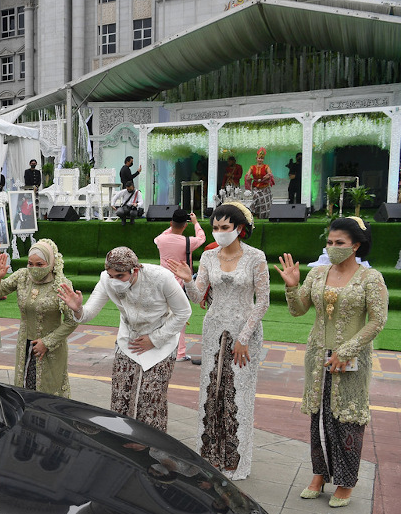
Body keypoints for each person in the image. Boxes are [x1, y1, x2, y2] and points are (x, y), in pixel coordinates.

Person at [275, 217, 388, 507]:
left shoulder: (370, 279)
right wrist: (291, 287)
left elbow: (377, 321)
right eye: (329, 242)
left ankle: (346, 482)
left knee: (347, 419)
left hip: (352, 358)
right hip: (317, 355)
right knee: (318, 416)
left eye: (340, 243)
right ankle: (319, 474)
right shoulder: (318, 273)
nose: (333, 247)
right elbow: (299, 310)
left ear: (356, 245)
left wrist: (347, 350)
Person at [165, 202, 269, 481]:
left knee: (239, 395)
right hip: (213, 330)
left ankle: (236, 462)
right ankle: (211, 457)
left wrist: (244, 338)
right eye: (215, 228)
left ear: (240, 229)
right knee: (212, 391)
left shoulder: (256, 257)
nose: (219, 232)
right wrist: (188, 281)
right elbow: (199, 297)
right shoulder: (209, 257)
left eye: (225, 227)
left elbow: (263, 303)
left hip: (244, 333)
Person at [58, 247, 191, 432]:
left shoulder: (161, 277)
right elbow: (88, 313)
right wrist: (77, 309)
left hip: (161, 340)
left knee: (151, 397)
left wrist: (154, 339)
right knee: (121, 395)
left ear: (135, 270)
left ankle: (152, 447)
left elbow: (184, 312)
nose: (114, 281)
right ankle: (121, 443)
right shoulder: (106, 280)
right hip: (128, 339)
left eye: (119, 276)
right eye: (110, 275)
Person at [0, 240, 79, 397]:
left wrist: (47, 342)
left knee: (49, 392)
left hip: (51, 349)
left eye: (40, 264)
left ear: (51, 263)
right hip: (24, 344)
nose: (34, 269)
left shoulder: (62, 284)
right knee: (24, 390)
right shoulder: (22, 276)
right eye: (30, 263)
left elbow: (72, 321)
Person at [155, 209, 205, 361]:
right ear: (185, 225)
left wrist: (173, 226)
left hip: (162, 282)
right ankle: (180, 352)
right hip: (180, 285)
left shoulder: (160, 240)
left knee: (161, 316)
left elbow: (163, 234)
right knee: (180, 318)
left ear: (171, 223)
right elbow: (202, 238)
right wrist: (195, 223)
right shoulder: (188, 242)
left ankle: (161, 348)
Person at [244, 147, 275, 219]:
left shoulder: (266, 166)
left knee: (264, 203)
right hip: (256, 187)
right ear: (256, 158)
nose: (260, 160)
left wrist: (268, 176)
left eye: (262, 158)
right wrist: (248, 177)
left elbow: (270, 174)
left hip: (265, 187)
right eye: (259, 158)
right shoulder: (252, 167)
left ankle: (264, 216)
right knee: (257, 199)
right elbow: (247, 174)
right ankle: (256, 213)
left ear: (263, 159)